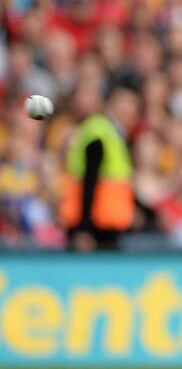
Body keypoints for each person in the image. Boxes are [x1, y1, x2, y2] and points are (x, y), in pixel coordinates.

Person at [59, 84, 139, 252]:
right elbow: (90, 178)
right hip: (98, 225)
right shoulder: (98, 130)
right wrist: (85, 228)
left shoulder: (104, 131)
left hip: (104, 222)